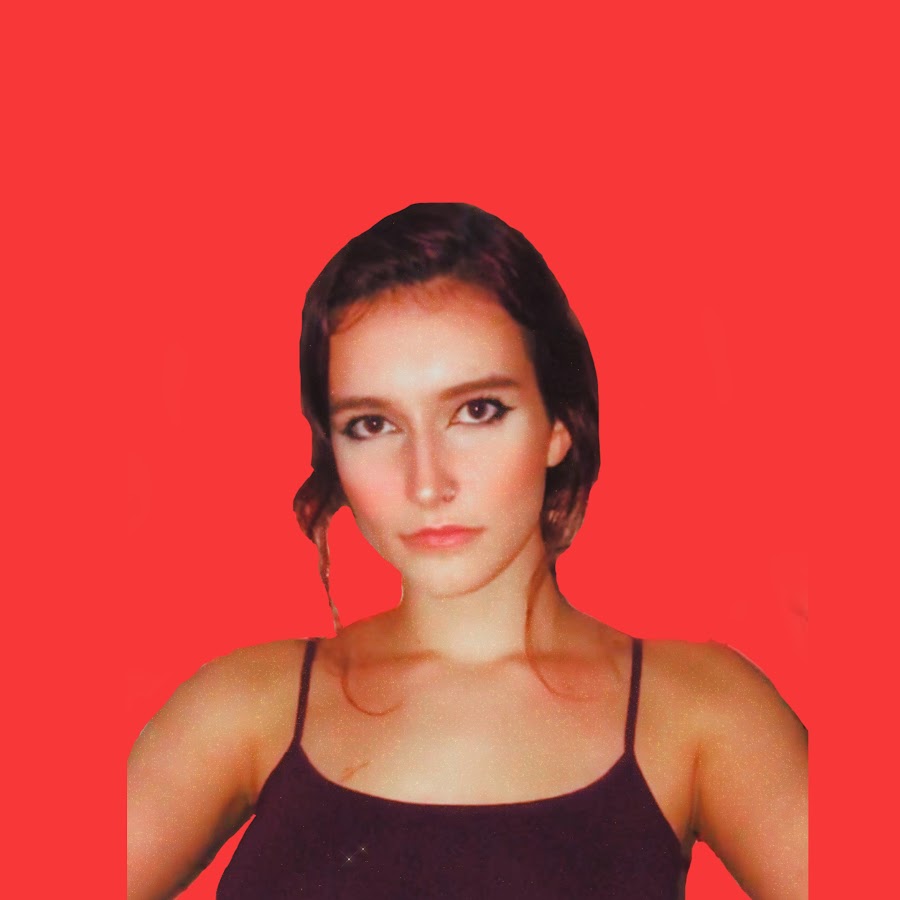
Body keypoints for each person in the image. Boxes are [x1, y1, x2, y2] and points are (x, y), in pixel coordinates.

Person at [127, 203, 808, 899]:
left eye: (477, 411)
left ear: (558, 425)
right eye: (372, 424)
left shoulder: (701, 712)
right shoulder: (245, 706)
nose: (427, 483)